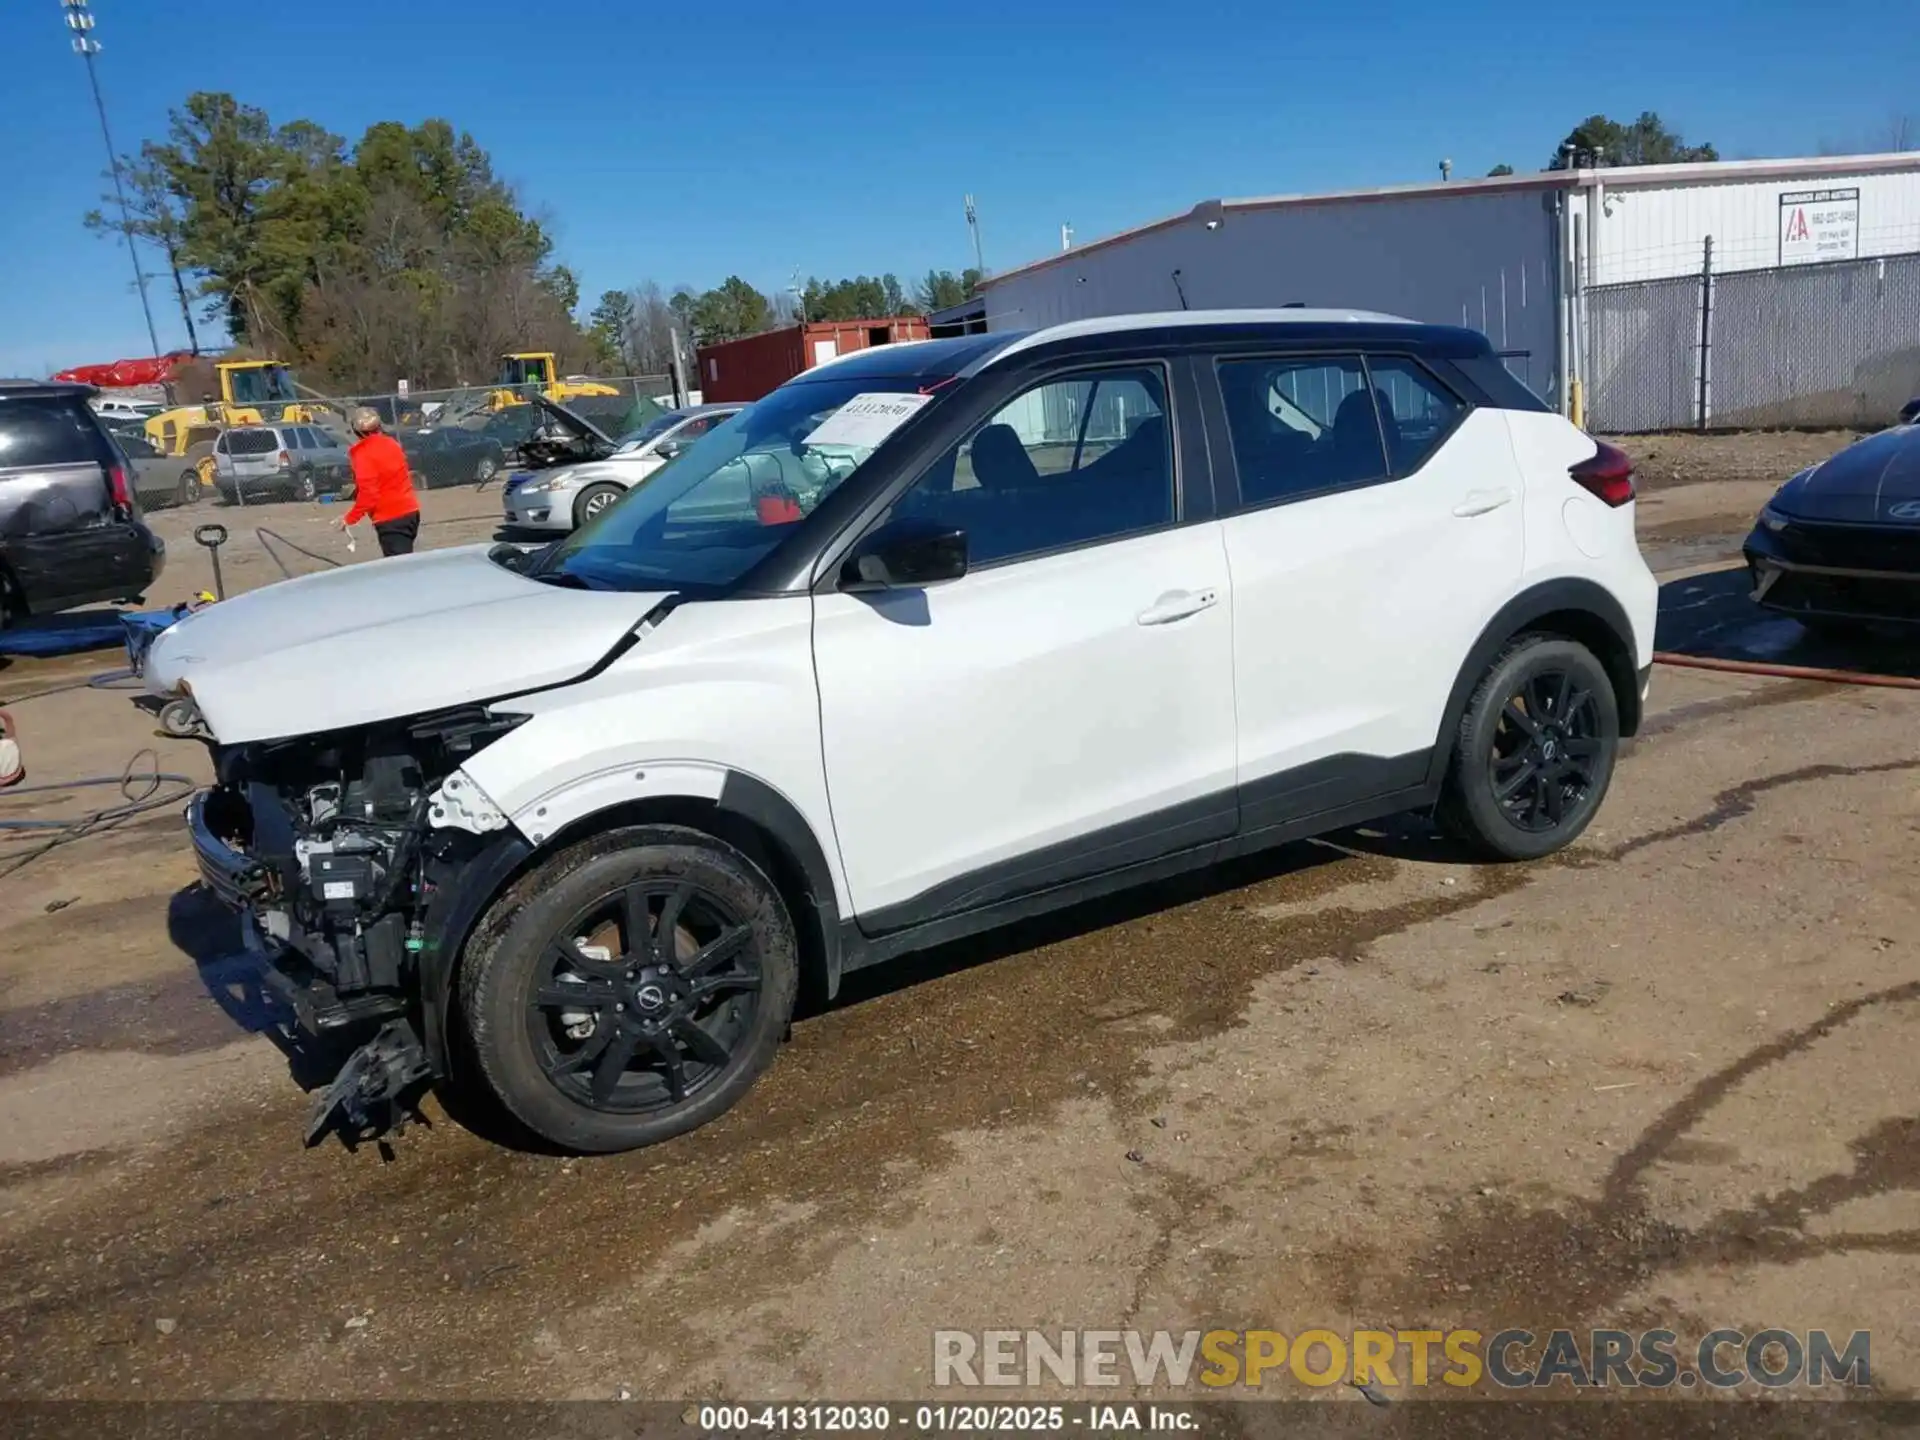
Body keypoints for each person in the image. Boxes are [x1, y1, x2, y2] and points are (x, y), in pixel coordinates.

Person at [339, 407, 421, 556]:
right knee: (406, 562)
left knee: (399, 569)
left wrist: (350, 518)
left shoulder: (362, 454)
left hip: (390, 518)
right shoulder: (392, 444)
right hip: (410, 512)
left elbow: (369, 494)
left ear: (357, 431)